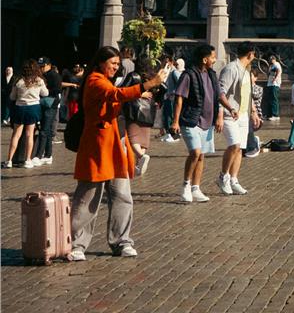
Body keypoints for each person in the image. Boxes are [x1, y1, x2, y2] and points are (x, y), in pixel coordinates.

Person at [68, 46, 170, 261]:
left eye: (117, 64)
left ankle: (121, 241)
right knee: (89, 196)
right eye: (112, 63)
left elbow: (120, 96)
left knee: (122, 194)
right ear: (100, 63)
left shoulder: (105, 79)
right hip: (96, 146)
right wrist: (148, 84)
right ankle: (76, 243)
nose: (116, 67)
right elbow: (115, 94)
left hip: (114, 143)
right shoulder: (95, 80)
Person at [171, 43, 223, 202]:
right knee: (195, 152)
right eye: (213, 57)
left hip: (207, 122)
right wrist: (175, 121)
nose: (215, 60)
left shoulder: (212, 74)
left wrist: (226, 111)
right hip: (190, 120)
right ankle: (186, 186)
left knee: (201, 156)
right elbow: (179, 98)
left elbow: (219, 95)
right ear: (205, 59)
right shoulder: (189, 75)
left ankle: (196, 188)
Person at [217, 44, 258, 195]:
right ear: (250, 54)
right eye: (254, 54)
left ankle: (234, 179)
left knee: (239, 148)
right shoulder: (231, 69)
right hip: (230, 115)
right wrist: (222, 113)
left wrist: (253, 111)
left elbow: (248, 94)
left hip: (243, 115)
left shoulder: (247, 71)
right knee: (234, 145)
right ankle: (223, 176)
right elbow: (220, 93)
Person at [4, 59, 47, 168]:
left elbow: (12, 97)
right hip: (33, 108)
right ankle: (28, 160)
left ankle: (9, 160)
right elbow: (45, 93)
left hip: (20, 108)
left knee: (16, 135)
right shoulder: (39, 80)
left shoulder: (18, 81)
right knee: (29, 134)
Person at [119, 56, 158, 178]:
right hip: (148, 110)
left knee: (132, 138)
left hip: (134, 109)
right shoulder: (152, 76)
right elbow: (164, 88)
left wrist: (139, 93)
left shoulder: (134, 75)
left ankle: (141, 157)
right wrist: (157, 99)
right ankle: (139, 163)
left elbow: (123, 89)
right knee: (143, 140)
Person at [32, 57, 62, 166]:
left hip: (50, 103)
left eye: (43, 66)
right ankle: (48, 155)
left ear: (49, 65)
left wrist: (45, 91)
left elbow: (58, 90)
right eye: (39, 66)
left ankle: (38, 155)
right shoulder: (40, 75)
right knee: (47, 130)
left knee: (44, 130)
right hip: (44, 103)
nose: (41, 68)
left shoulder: (54, 75)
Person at [263, 53, 283, 123]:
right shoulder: (271, 65)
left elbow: (278, 71)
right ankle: (269, 114)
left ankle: (275, 115)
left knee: (274, 99)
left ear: (274, 59)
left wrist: (275, 78)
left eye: (271, 59)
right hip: (270, 84)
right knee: (270, 99)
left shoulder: (276, 64)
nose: (270, 61)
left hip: (275, 84)